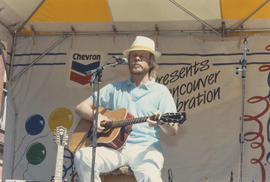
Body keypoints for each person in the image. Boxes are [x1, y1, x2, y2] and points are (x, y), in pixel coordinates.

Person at [74, 35, 178, 182]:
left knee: (151, 176)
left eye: (142, 56)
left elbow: (173, 131)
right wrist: (96, 117)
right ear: (128, 61)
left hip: (146, 148)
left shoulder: (161, 91)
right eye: (133, 56)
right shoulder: (115, 88)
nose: (137, 59)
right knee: (82, 157)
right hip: (114, 149)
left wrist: (162, 122)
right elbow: (80, 108)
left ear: (151, 62)